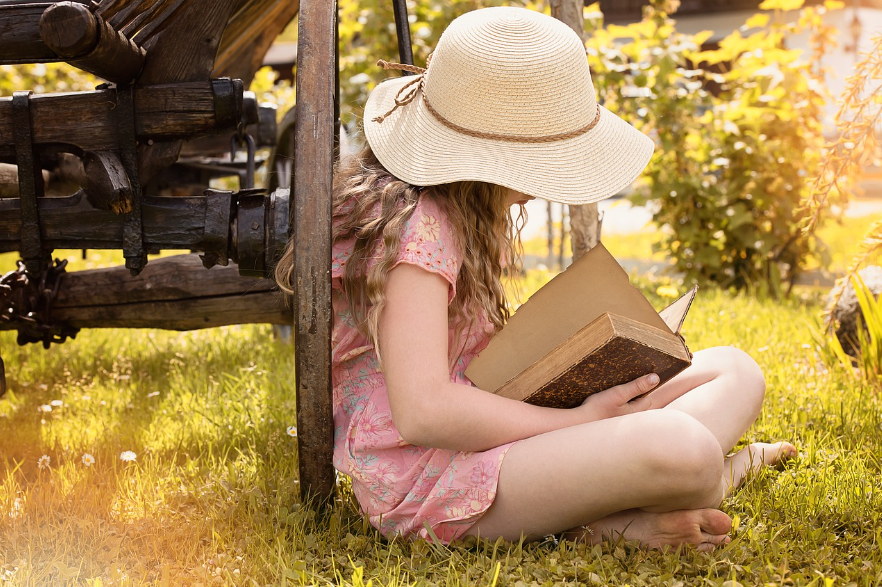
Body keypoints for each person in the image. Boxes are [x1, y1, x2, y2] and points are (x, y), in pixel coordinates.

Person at [274, 6, 795, 550]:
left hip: (500, 424)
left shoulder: (456, 210)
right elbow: (424, 413)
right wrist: (580, 422)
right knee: (686, 451)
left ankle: (621, 497)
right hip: (435, 475)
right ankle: (626, 514)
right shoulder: (418, 228)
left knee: (735, 370)